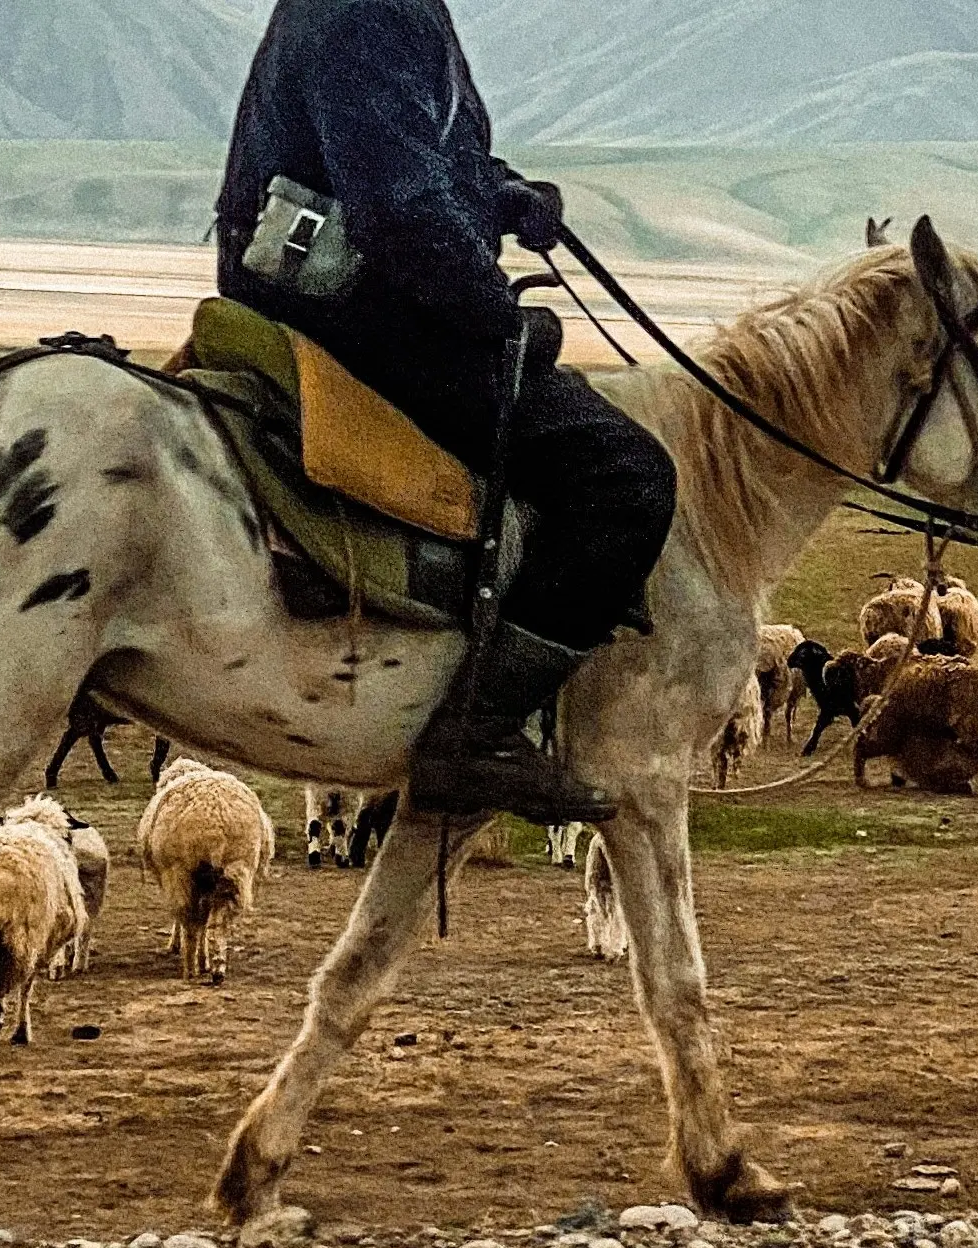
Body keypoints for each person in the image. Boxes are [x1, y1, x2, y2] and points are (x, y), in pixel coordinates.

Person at [215, 0, 678, 826]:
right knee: (625, 477)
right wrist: (496, 317)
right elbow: (397, 211)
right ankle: (475, 733)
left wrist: (504, 194)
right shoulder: (370, 11)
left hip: (352, 292)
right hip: (360, 309)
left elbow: (416, 156)